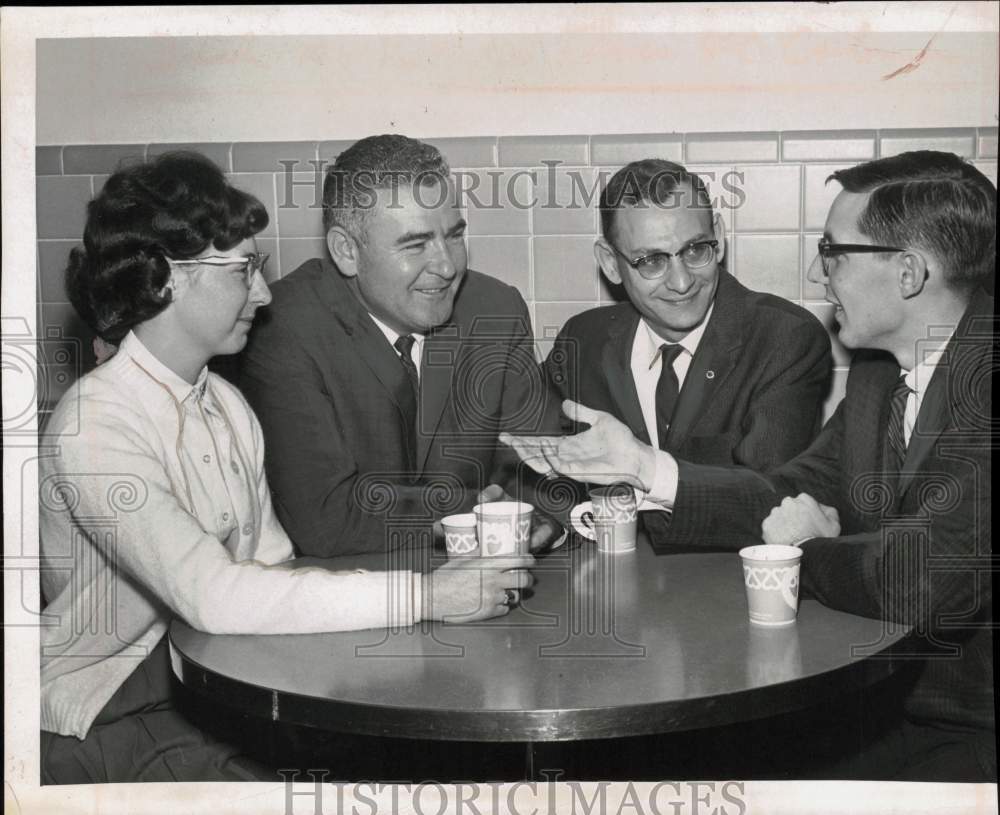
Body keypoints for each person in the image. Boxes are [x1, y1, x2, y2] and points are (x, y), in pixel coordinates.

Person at [39, 152, 534, 784]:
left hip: (212, 688)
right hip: (106, 716)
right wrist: (428, 595)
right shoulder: (97, 424)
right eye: (243, 270)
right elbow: (214, 595)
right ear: (165, 278)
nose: (264, 293)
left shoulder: (224, 404)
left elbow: (274, 572)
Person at [501, 150, 995, 781]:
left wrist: (806, 549)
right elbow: (789, 490)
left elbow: (924, 581)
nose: (819, 274)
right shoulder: (880, 374)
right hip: (875, 698)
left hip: (964, 730)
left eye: (834, 252)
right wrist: (645, 468)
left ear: (908, 272)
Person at [240, 134, 560, 558]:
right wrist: (474, 510)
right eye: (415, 245)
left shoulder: (495, 309)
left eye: (454, 236)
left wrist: (541, 514)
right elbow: (326, 518)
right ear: (346, 251)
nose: (447, 266)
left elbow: (545, 473)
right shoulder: (281, 327)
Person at [545, 159, 831, 479]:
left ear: (718, 237)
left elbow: (766, 493)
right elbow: (541, 473)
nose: (682, 283)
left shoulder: (785, 340)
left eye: (695, 250)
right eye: (651, 261)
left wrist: (645, 470)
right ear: (610, 262)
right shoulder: (582, 340)